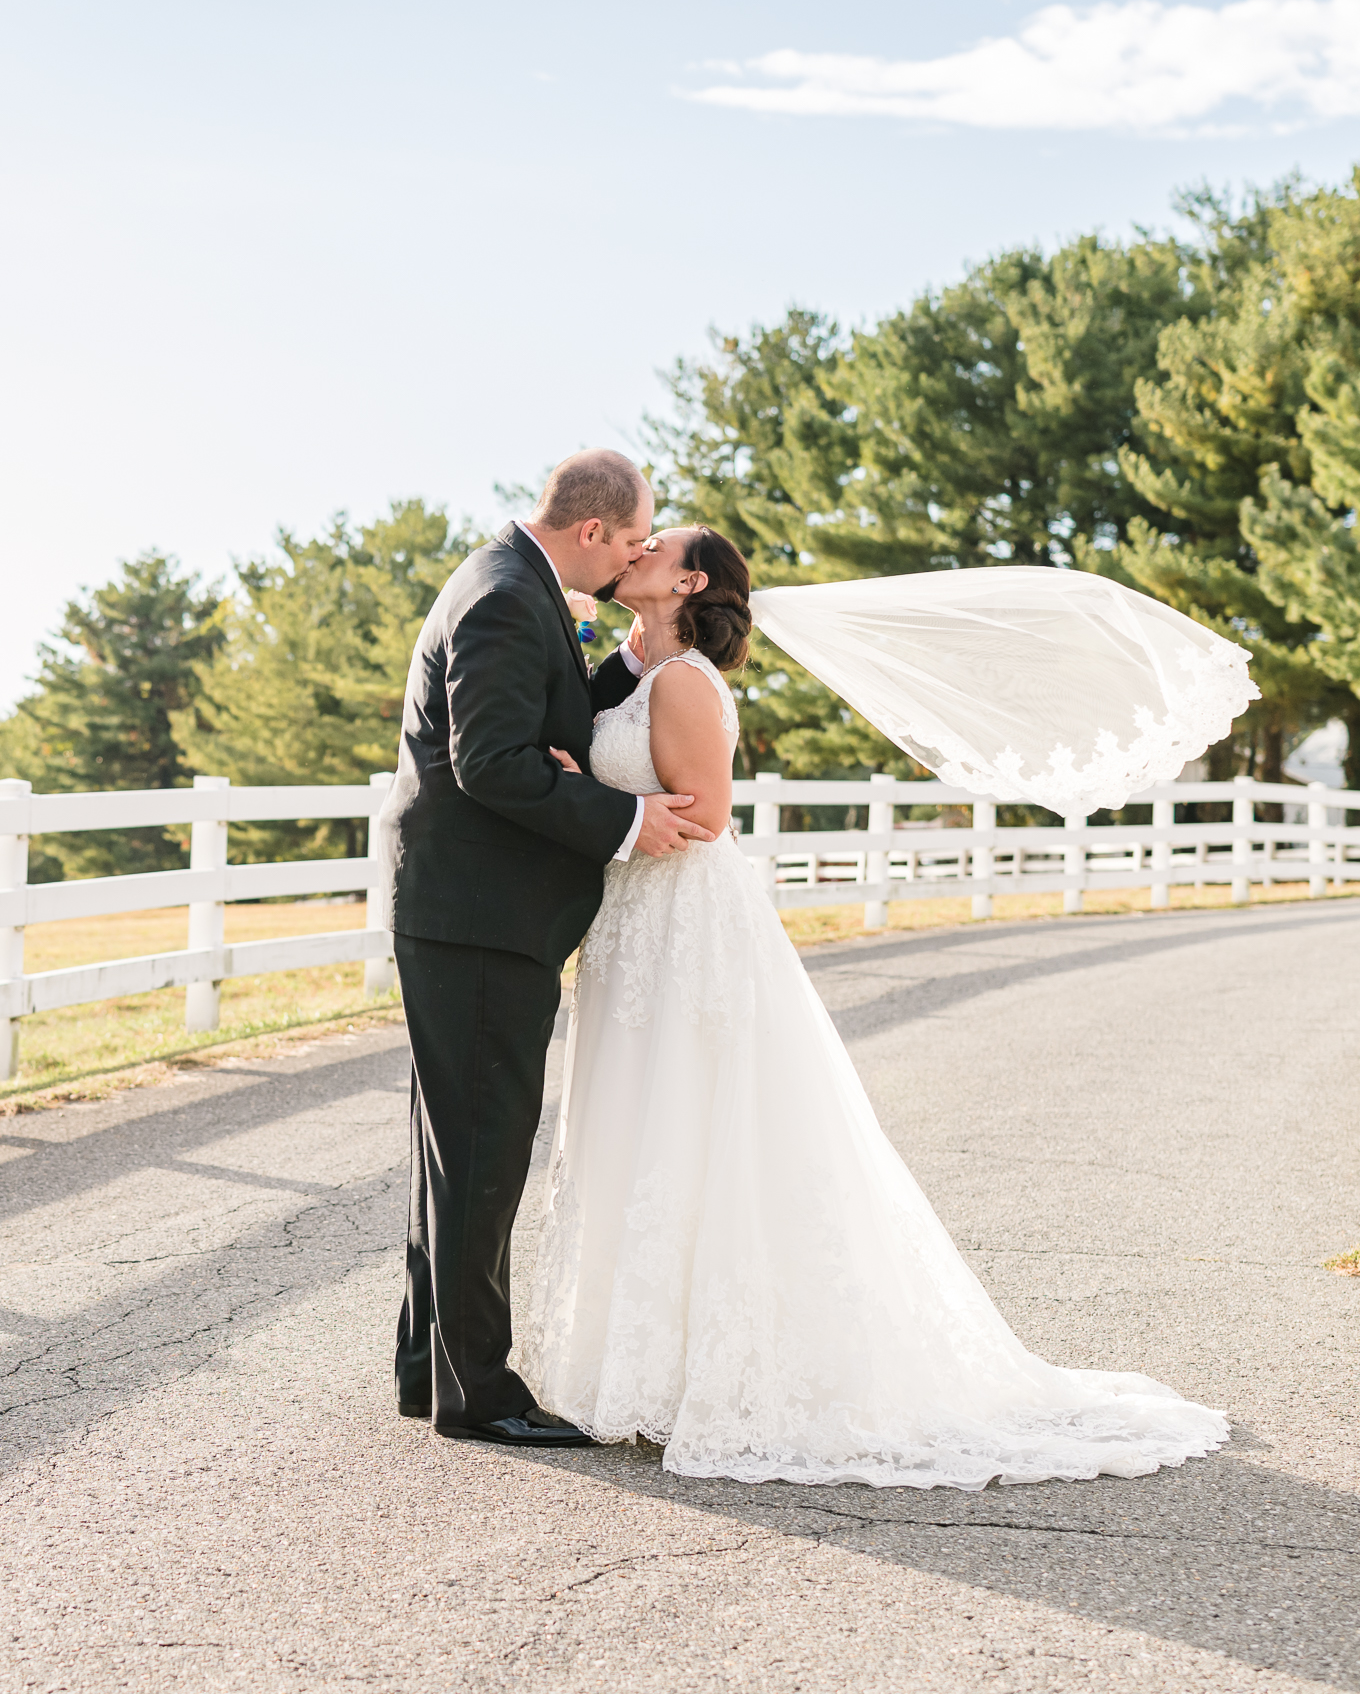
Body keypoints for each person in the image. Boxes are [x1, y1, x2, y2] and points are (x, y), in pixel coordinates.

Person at [515, 524, 1228, 1486]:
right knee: (641, 1121)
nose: (636, 548)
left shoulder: (682, 681)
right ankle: (648, 1367)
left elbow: (706, 816)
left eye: (657, 544)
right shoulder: (634, 667)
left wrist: (577, 787)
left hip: (683, 923)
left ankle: (722, 1373)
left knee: (694, 1117)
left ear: (688, 581)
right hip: (635, 928)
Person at [384, 448, 713, 1444]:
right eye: (630, 541)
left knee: (456, 1149)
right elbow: (489, 761)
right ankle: (479, 1394)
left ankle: (429, 1368)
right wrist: (625, 818)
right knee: (483, 1151)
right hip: (480, 915)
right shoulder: (502, 596)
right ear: (591, 531)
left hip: (471, 912)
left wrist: (627, 671)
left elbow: (543, 713)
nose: (633, 558)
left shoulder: (514, 582)